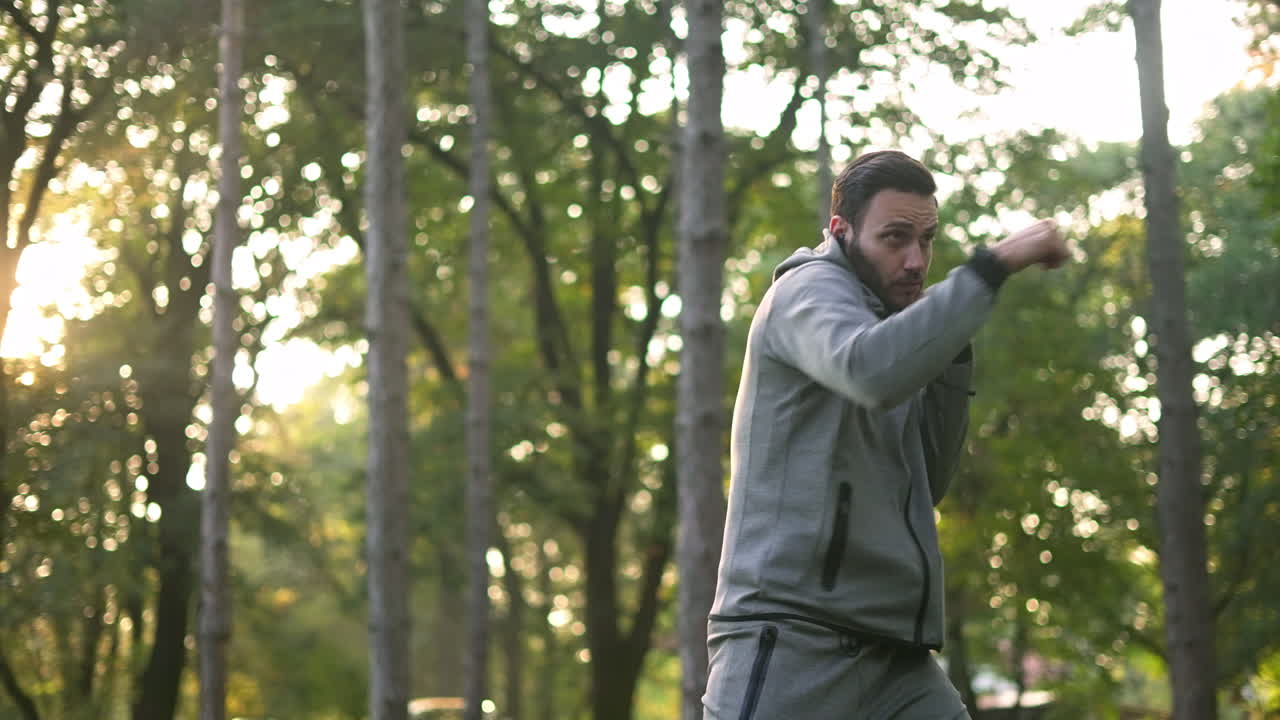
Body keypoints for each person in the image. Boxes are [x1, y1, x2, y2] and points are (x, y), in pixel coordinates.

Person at [702, 150, 1069, 719]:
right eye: (895, 238)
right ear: (840, 231)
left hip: (894, 655)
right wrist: (991, 266)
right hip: (793, 641)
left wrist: (948, 352)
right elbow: (868, 371)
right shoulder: (806, 290)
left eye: (926, 240)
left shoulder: (896, 331)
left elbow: (930, 477)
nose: (916, 260)